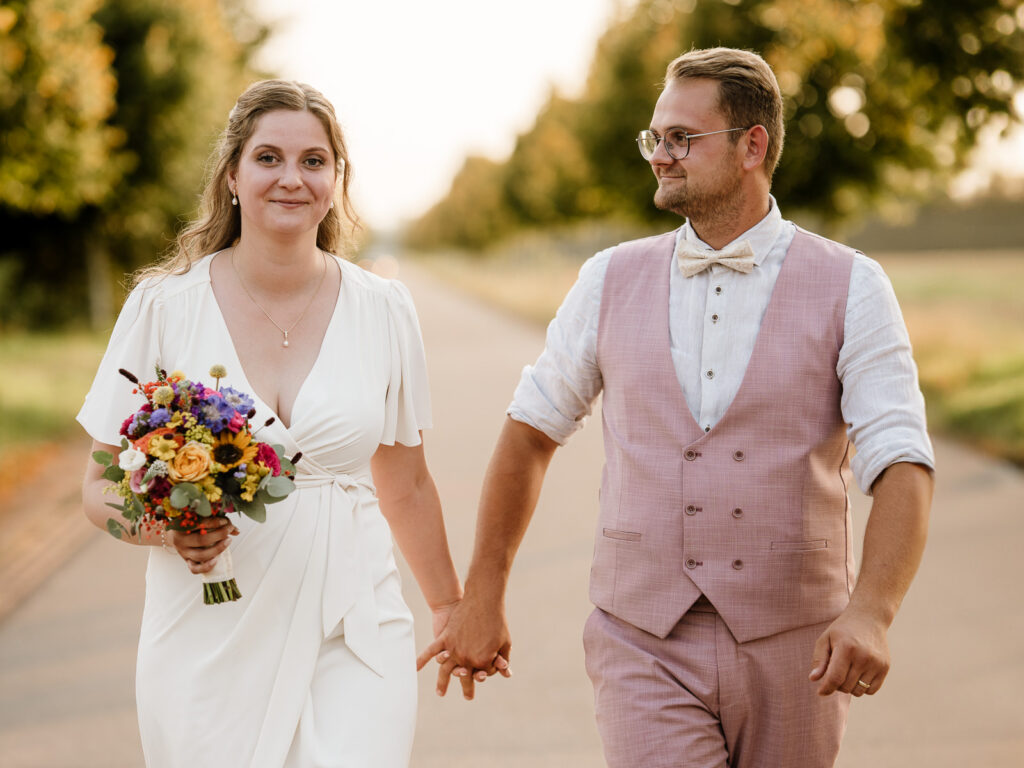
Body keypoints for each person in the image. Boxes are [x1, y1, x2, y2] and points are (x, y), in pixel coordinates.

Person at [420, 48, 935, 767]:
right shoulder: (608, 278)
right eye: (654, 137)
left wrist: (872, 613)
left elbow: (902, 460)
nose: (660, 155)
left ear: (752, 145)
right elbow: (530, 432)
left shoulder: (855, 286)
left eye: (681, 139)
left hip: (798, 647)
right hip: (641, 637)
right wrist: (484, 592)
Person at [79, 80, 470, 767]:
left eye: (314, 161)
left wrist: (450, 608)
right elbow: (95, 485)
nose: (292, 178)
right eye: (269, 158)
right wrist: (162, 530)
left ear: (336, 180)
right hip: (208, 629)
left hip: (355, 622)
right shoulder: (163, 308)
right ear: (233, 175)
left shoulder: (384, 309)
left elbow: (404, 483)